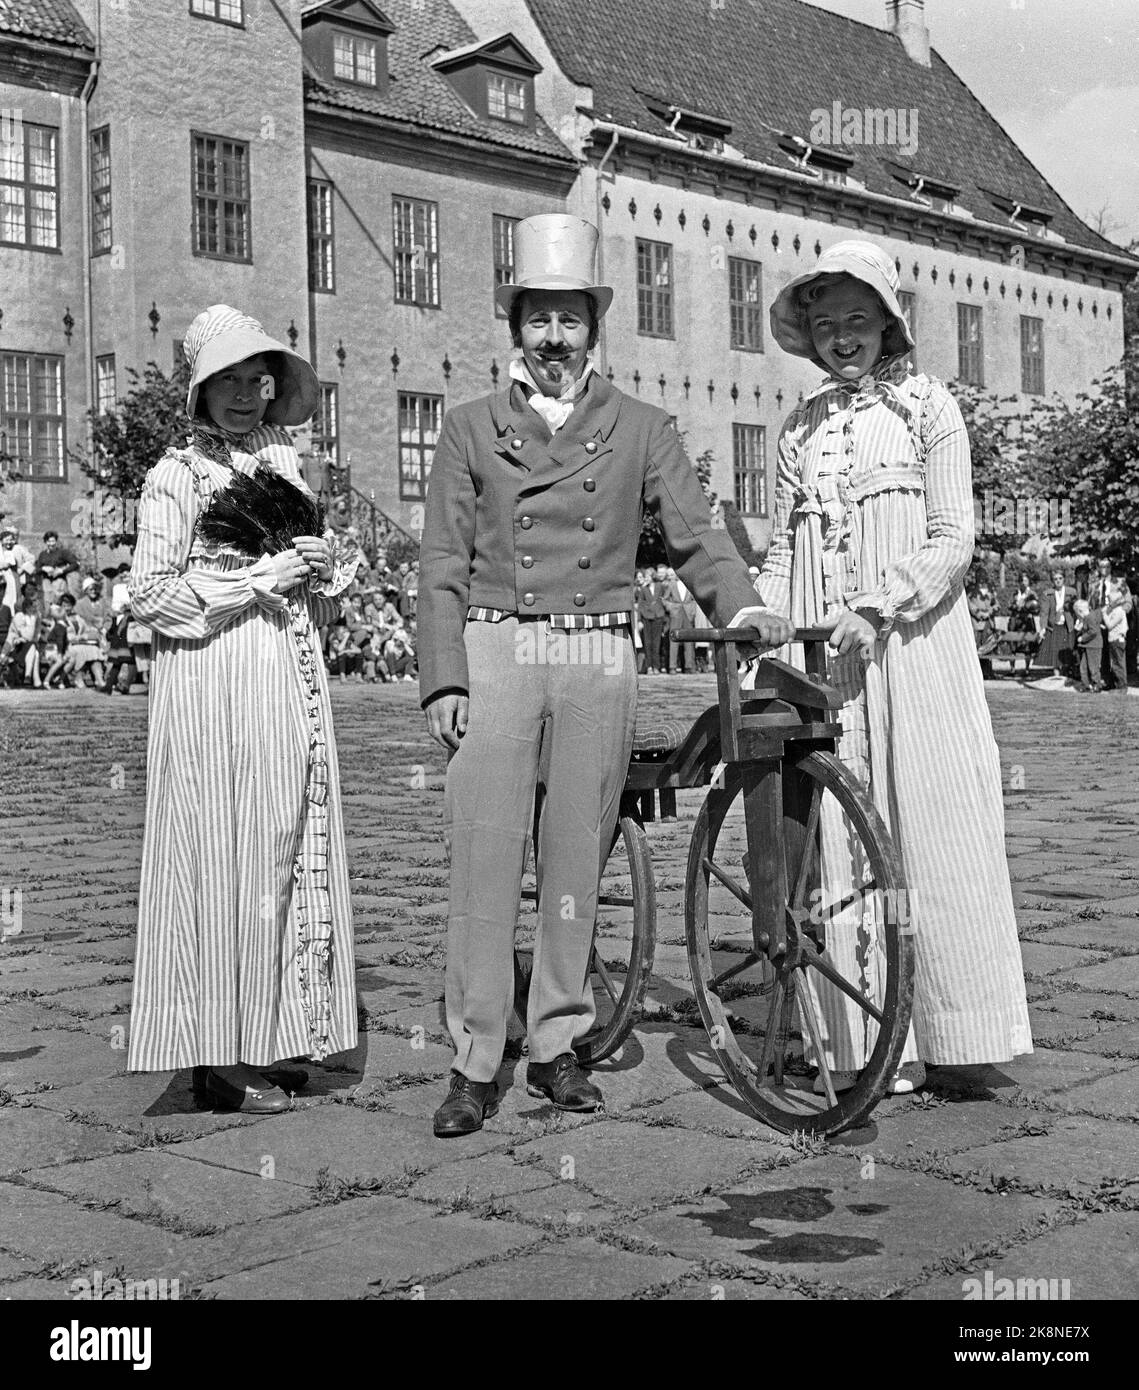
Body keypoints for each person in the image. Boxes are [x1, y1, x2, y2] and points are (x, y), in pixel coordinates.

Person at [418, 213, 789, 1137]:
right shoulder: (468, 429)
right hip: (499, 647)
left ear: (593, 329)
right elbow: (439, 567)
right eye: (537, 320)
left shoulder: (641, 427)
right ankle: (473, 1056)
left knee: (577, 850)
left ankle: (556, 1042)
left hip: (595, 650)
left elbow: (698, 530)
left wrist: (738, 609)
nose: (553, 339)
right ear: (517, 330)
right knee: (486, 851)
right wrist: (445, 679)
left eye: (569, 321)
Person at [756, 239, 1032, 1094]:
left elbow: (954, 536)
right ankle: (865, 1041)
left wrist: (879, 603)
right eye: (824, 321)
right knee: (840, 836)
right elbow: (777, 551)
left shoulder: (926, 409)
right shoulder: (796, 428)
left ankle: (954, 1030)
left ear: (887, 323)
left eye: (856, 319)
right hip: (826, 664)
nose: (841, 336)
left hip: (913, 653)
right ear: (807, 333)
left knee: (934, 822)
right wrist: (761, 620)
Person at [126, 304, 359, 1113]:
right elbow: (150, 595)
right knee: (224, 852)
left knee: (283, 840)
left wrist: (319, 570)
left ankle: (267, 1031)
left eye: (252, 378)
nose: (241, 395)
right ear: (198, 391)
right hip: (212, 679)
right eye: (222, 380)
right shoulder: (174, 477)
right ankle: (215, 1054)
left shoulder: (283, 463)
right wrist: (251, 581)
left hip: (286, 673)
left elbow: (319, 602)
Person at [1089, 558, 1132, 691]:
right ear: (1098, 568)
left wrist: (1118, 614)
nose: (1104, 569)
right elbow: (1090, 605)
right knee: (1103, 656)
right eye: (1101, 566)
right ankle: (1107, 681)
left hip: (1115, 624)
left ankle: (1121, 684)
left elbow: (1128, 603)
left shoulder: (1120, 582)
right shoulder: (1094, 585)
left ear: (1111, 567)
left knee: (1118, 657)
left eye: (1107, 566)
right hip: (1100, 624)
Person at [1037, 568, 1075, 678]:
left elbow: (1077, 609)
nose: (1058, 581)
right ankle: (1056, 675)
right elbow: (1044, 612)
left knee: (1067, 651)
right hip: (1054, 626)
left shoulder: (1071, 592)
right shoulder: (1047, 594)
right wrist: (1043, 628)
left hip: (1068, 626)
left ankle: (1066, 675)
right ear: (1052, 581)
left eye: (1060, 578)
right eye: (1055, 579)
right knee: (1054, 652)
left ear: (1064, 579)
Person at [1073, 599, 1103, 691]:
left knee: (1093, 667)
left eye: (1077, 613)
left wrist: (1082, 638)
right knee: (1083, 666)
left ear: (1080, 611)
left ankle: (1097, 685)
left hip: (1093, 646)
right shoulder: (1087, 617)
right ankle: (1085, 684)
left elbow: (1093, 631)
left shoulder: (1090, 617)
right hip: (1087, 646)